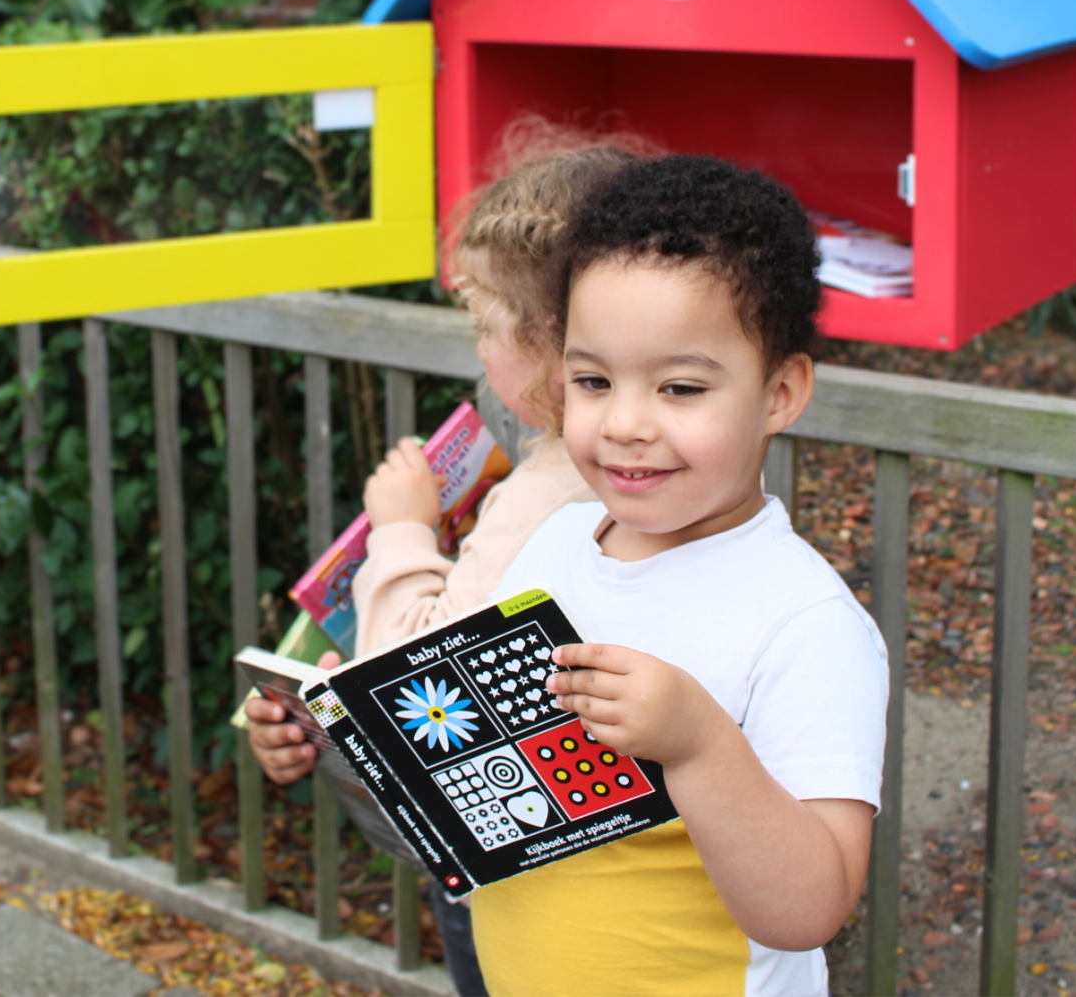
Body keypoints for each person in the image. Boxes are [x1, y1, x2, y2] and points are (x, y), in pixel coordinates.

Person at [246, 128, 648, 995]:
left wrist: (402, 530)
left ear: (549, 344)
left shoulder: (549, 495)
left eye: (484, 324)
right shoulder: (661, 474)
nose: (476, 348)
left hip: (516, 878)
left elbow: (412, 681)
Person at [476, 154, 889, 996]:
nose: (625, 422)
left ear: (780, 392)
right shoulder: (556, 544)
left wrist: (699, 747)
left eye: (680, 387)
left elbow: (810, 909)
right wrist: (342, 733)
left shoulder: (806, 622)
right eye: (593, 380)